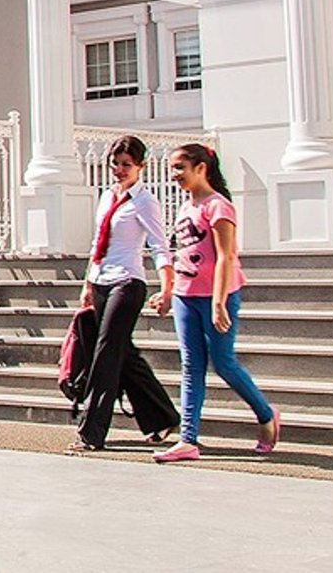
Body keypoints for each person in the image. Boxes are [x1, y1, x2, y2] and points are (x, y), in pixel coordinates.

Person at [155, 142, 281, 463]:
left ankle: (266, 415)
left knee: (223, 363)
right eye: (172, 168)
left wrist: (219, 301)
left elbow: (227, 256)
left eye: (180, 168)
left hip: (216, 296)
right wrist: (168, 292)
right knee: (190, 366)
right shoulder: (185, 207)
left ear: (201, 168)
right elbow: (180, 254)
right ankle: (188, 440)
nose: (175, 175)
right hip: (186, 294)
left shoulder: (218, 206)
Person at [68, 135, 180, 452]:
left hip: (128, 283)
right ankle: (163, 416)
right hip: (102, 280)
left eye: (126, 165)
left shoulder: (145, 202)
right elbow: (96, 244)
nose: (119, 170)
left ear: (140, 166)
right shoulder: (106, 197)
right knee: (123, 354)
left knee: (106, 352)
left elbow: (160, 246)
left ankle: (91, 431)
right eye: (115, 164)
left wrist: (167, 287)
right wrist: (88, 284)